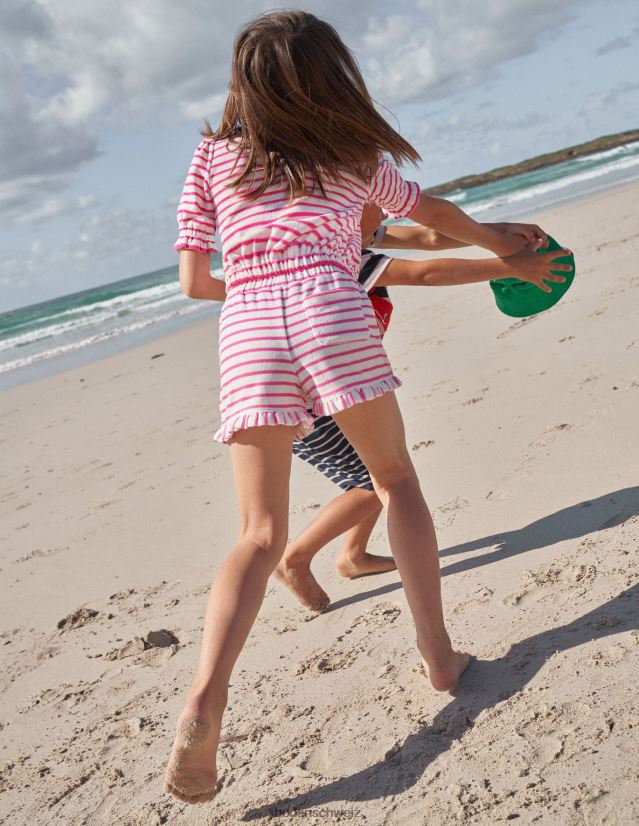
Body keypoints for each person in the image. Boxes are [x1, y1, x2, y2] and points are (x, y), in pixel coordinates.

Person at [164, 10, 570, 805]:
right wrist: (501, 247)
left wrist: (258, 286)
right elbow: (429, 219)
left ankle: (205, 697)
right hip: (330, 307)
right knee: (394, 481)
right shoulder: (349, 150)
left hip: (247, 325)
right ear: (333, 76)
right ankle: (439, 657)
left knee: (257, 532)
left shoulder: (211, 156)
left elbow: (193, 281)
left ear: (243, 84)